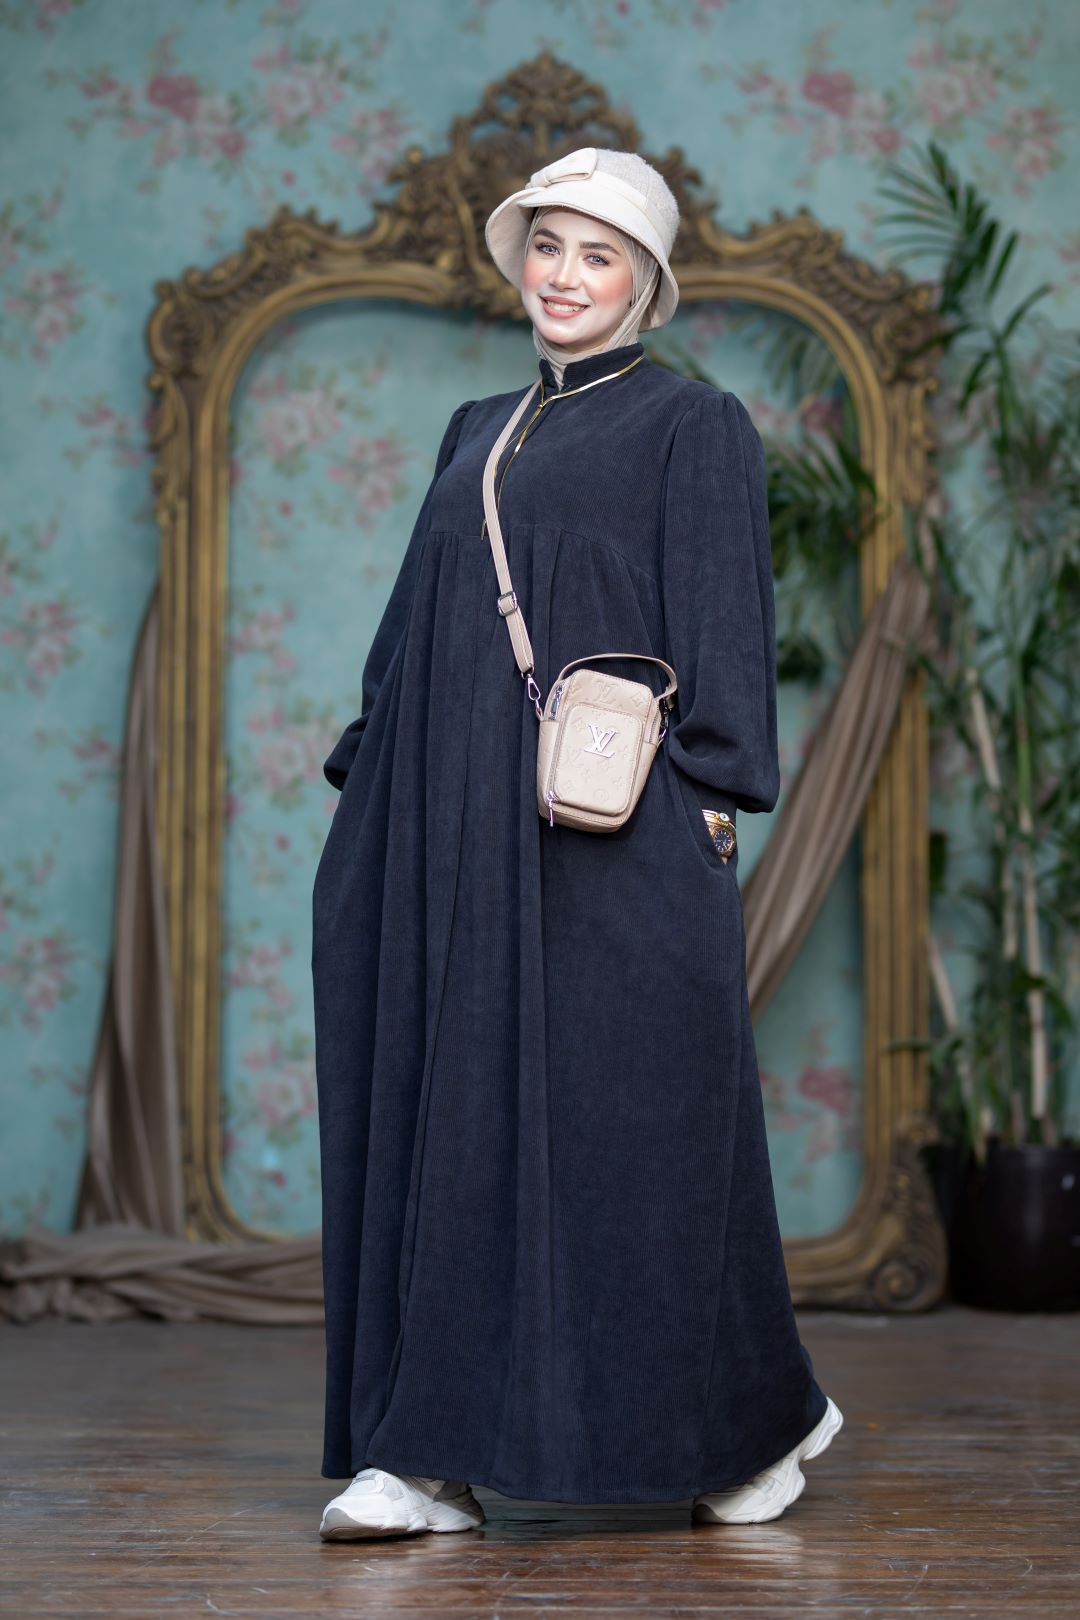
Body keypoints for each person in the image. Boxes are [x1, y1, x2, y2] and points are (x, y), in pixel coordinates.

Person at [313, 146, 843, 1543]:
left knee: (637, 1140)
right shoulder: (475, 429)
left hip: (615, 833)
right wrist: (369, 788)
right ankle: (425, 1456)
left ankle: (748, 1429)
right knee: (449, 1127)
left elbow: (722, 629)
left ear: (645, 283)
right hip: (446, 835)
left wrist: (705, 803)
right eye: (547, 245)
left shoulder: (694, 424)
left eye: (598, 255)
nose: (563, 275)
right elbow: (417, 629)